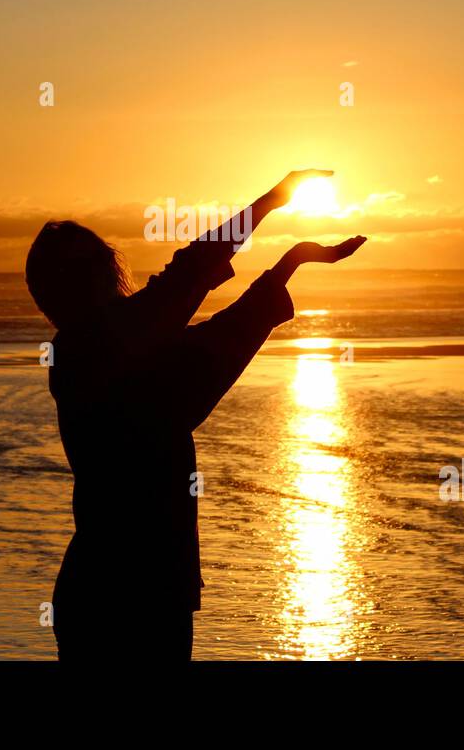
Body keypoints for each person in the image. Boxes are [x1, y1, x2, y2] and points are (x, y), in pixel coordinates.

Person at [24, 170, 365, 660]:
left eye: (96, 265)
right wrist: (270, 204)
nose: (99, 276)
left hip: (147, 586)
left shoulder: (119, 353)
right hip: (121, 595)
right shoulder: (85, 350)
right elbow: (186, 285)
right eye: (82, 270)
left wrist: (288, 263)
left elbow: (207, 335)